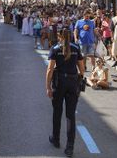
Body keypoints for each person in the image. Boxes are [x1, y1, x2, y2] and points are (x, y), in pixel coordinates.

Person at [46, 28, 85, 157]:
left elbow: (50, 69)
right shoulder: (76, 48)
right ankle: (70, 147)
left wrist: (48, 87)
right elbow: (82, 69)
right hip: (72, 82)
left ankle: (56, 139)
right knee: (70, 115)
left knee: (57, 112)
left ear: (59, 36)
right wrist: (78, 81)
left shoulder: (56, 48)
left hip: (60, 82)